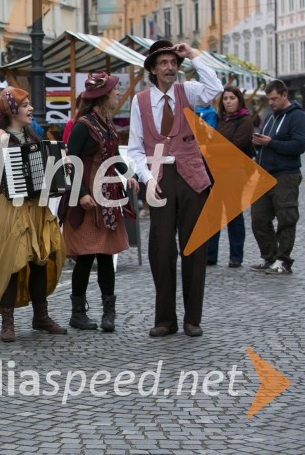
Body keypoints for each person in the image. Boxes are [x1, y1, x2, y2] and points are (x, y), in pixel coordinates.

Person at [128, 40, 222, 338]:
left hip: (192, 177)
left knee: (194, 247)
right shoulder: (140, 101)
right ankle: (165, 319)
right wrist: (148, 178)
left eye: (173, 63)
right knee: (161, 248)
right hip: (158, 177)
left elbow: (215, 89)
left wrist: (192, 56)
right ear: (153, 70)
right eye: (164, 63)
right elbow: (134, 149)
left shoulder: (189, 91)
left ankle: (192, 319)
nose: (170, 68)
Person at [0, 86, 68, 342]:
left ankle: (41, 316)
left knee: (39, 259)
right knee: (12, 262)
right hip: (8, 207)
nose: (30, 109)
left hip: (35, 206)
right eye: (25, 105)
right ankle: (7, 321)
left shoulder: (32, 136)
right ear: (12, 110)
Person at [62, 73, 138, 333]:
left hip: (107, 196)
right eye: (115, 91)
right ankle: (77, 313)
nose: (118, 94)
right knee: (85, 256)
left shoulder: (107, 123)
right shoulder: (83, 125)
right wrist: (81, 192)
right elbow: (70, 160)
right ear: (104, 96)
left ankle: (108, 313)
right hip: (87, 197)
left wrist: (128, 175)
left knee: (106, 254)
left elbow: (114, 155)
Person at [249, 79, 305, 275]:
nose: (271, 103)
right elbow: (267, 142)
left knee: (286, 219)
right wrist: (257, 142)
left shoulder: (297, 116)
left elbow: (299, 145)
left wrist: (271, 143)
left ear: (284, 95)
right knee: (258, 218)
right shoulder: (271, 117)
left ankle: (283, 261)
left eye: (274, 99)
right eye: (268, 99)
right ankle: (269, 257)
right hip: (264, 175)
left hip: (285, 175)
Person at [206, 86, 254, 268]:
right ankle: (211, 255)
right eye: (225, 98)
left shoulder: (245, 121)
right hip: (215, 171)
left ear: (239, 100)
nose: (228, 101)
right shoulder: (219, 120)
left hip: (234, 173)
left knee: (234, 215)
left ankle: (236, 256)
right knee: (213, 214)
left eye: (232, 98)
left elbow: (236, 146)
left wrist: (211, 148)